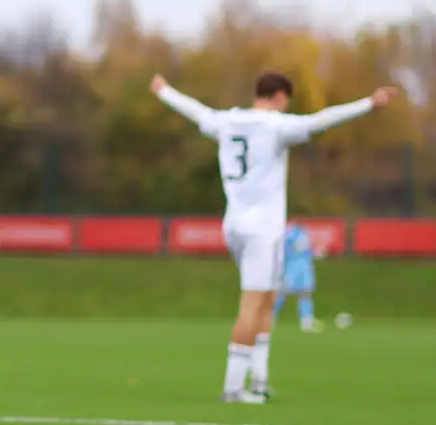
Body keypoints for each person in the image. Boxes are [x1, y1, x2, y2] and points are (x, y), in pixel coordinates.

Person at [151, 71, 396, 403]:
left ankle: (260, 380)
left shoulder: (225, 121)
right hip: (262, 229)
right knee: (252, 303)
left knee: (266, 299)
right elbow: (321, 121)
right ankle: (234, 387)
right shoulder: (275, 126)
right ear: (279, 97)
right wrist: (368, 104)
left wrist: (165, 92)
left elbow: (194, 111)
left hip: (235, 223)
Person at [274, 221, 323, 333]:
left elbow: (304, 250)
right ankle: (270, 318)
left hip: (302, 266)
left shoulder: (298, 231)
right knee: (283, 293)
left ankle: (306, 321)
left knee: (304, 293)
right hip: (294, 267)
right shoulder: (293, 232)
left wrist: (315, 253)